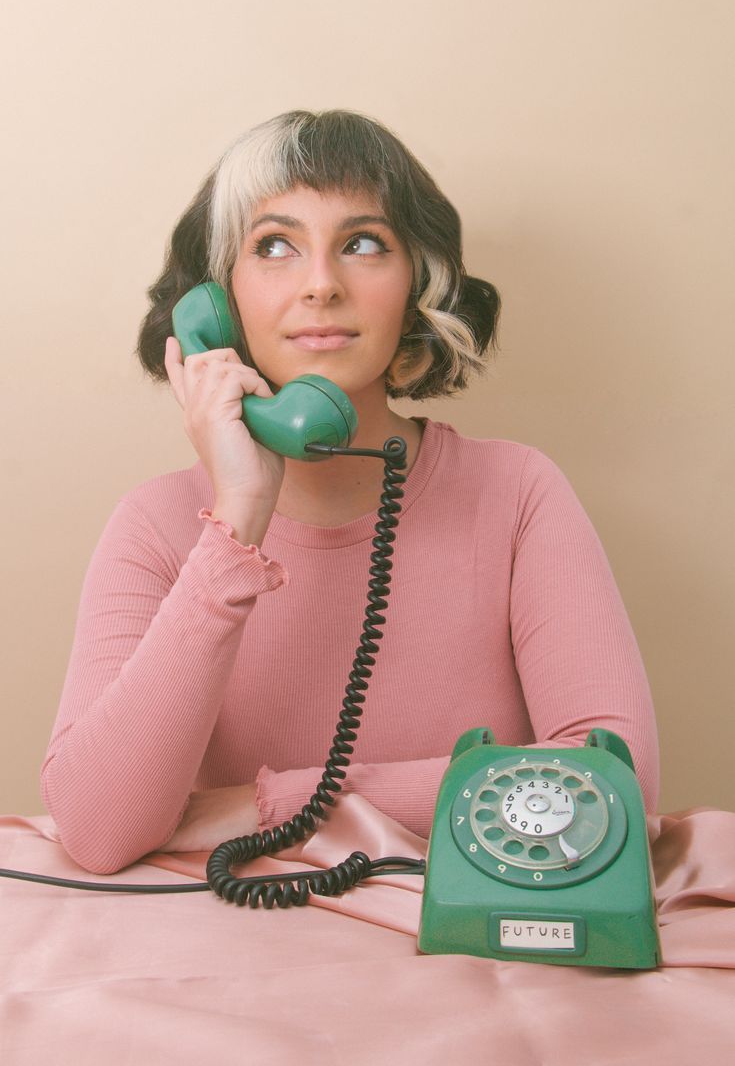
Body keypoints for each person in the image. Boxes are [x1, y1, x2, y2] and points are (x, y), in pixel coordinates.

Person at [41, 109, 659, 874]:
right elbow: (98, 830)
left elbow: (613, 783)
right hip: (224, 958)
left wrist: (269, 804)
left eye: (362, 244)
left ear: (417, 281)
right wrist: (236, 519)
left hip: (471, 964)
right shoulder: (154, 524)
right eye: (273, 246)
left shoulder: (517, 492)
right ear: (216, 304)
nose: (322, 285)